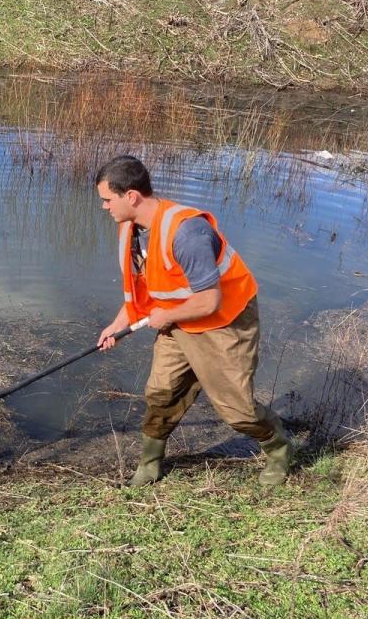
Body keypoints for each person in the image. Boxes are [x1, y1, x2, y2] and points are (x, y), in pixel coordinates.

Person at [94, 155, 291, 486]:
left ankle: (280, 448)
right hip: (179, 323)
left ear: (131, 196)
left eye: (107, 200)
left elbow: (209, 300)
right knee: (161, 393)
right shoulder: (130, 230)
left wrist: (165, 315)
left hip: (223, 325)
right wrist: (118, 324)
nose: (104, 207)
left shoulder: (187, 232)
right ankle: (150, 461)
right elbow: (145, 290)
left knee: (237, 409)